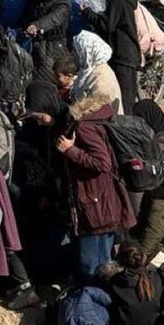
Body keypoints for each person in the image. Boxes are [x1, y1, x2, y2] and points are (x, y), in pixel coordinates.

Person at [57, 91, 136, 279]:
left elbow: (103, 163)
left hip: (95, 205)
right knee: (103, 262)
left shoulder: (84, 127)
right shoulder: (100, 120)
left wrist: (71, 151)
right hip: (104, 202)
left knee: (91, 266)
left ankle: (89, 301)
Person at [89, 0, 140, 116]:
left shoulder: (117, 0)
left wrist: (88, 13)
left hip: (123, 55)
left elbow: (108, 26)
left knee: (125, 99)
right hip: (127, 52)